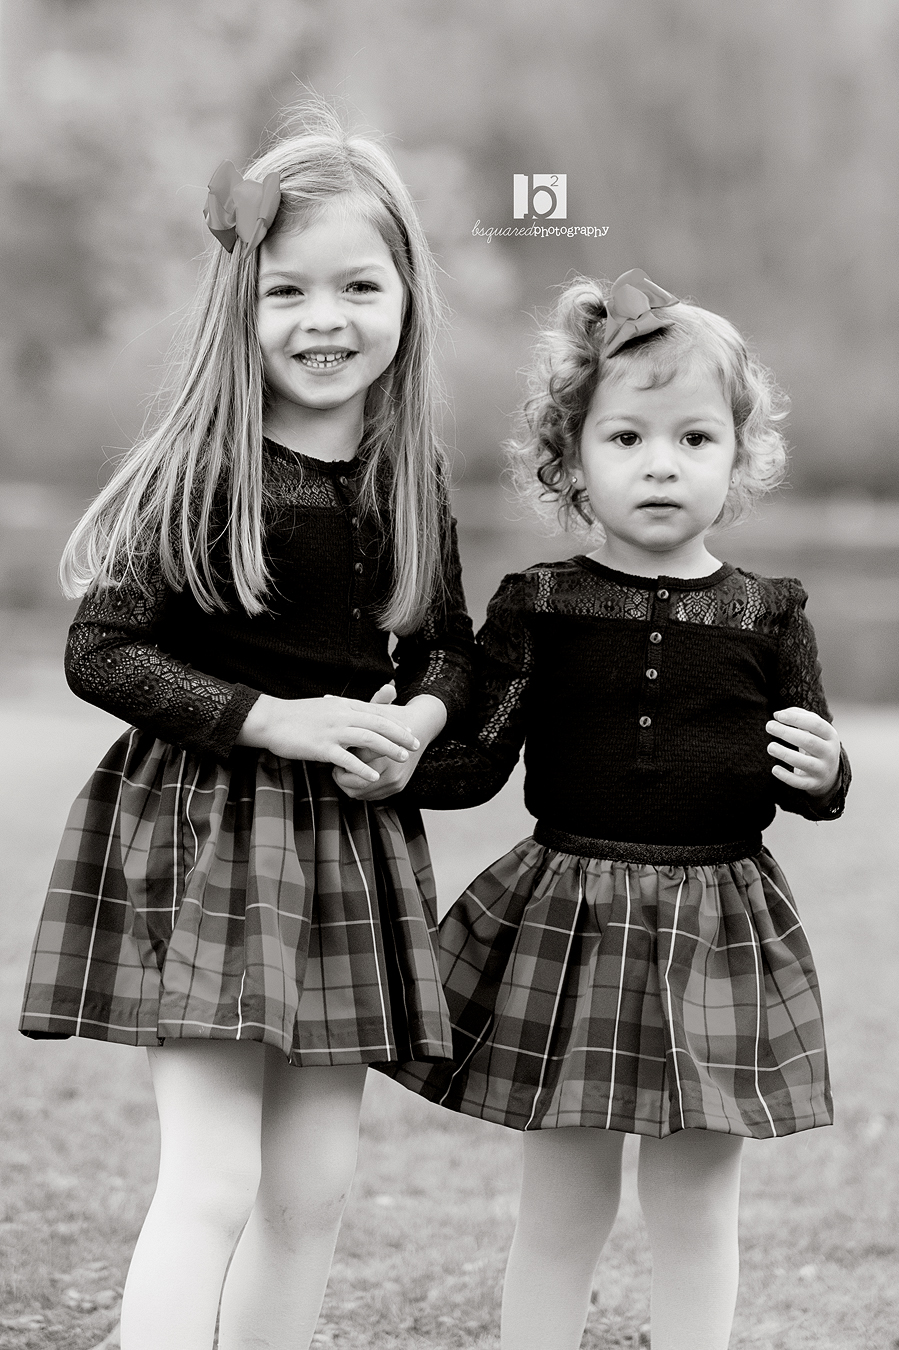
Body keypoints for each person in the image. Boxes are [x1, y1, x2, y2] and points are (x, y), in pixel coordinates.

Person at [19, 106, 473, 1350]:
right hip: (211, 837)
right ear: (243, 306)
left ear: (408, 295)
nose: (325, 319)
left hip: (344, 851)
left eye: (358, 286)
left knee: (312, 1192)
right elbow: (103, 651)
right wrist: (276, 720)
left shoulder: (408, 475)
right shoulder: (202, 467)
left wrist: (421, 721)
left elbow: (447, 644)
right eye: (288, 291)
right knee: (215, 1180)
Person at [378, 270, 849, 1350]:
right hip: (571, 919)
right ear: (572, 458)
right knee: (563, 1199)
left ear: (739, 458)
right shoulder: (540, 604)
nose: (660, 464)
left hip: (718, 923)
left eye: (695, 439)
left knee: (697, 1200)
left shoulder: (769, 614)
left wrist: (827, 773)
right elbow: (478, 762)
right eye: (627, 438)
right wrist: (394, 760)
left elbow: (806, 782)